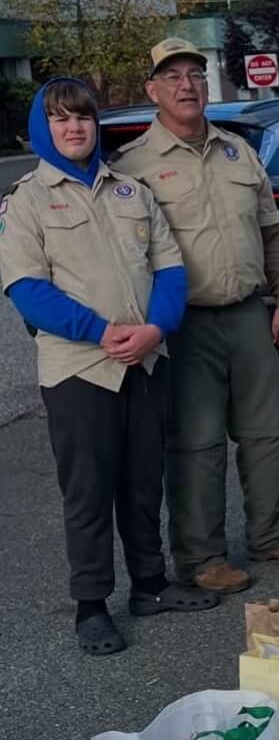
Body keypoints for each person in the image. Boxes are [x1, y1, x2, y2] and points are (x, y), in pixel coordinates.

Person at [0, 78, 218, 655]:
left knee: (145, 483)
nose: (75, 128)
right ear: (42, 130)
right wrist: (100, 331)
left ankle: (150, 584)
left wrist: (153, 329)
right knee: (89, 492)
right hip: (80, 371)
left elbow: (169, 269)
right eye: (61, 119)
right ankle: (91, 605)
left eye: (83, 118)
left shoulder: (131, 191)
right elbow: (26, 290)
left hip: (145, 361)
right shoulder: (25, 201)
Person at [110, 39, 279, 595]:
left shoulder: (237, 153)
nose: (186, 85)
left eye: (194, 74)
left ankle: (272, 535)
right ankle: (201, 557)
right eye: (171, 77)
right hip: (183, 324)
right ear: (152, 91)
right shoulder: (135, 167)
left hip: (247, 311)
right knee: (195, 442)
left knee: (268, 430)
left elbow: (270, 232)